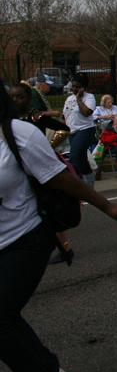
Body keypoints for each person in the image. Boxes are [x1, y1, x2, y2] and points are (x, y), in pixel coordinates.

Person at [0, 77, 117, 372]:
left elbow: (60, 179)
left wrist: (106, 206)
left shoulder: (17, 134)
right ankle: (45, 370)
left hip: (24, 237)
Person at [9, 83, 73, 265]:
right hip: (17, 166)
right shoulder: (9, 117)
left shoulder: (35, 116)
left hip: (36, 167)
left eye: (20, 97)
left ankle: (65, 248)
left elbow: (63, 129)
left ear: (29, 99)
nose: (15, 100)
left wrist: (46, 147)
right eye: (12, 97)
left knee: (45, 207)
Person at [62, 73, 97, 188]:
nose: (74, 89)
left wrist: (78, 98)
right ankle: (89, 184)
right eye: (73, 86)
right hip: (72, 131)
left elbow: (86, 112)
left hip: (85, 130)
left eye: (77, 87)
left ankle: (75, 186)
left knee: (74, 157)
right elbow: (64, 116)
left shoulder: (89, 98)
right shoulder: (69, 99)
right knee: (82, 159)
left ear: (83, 87)